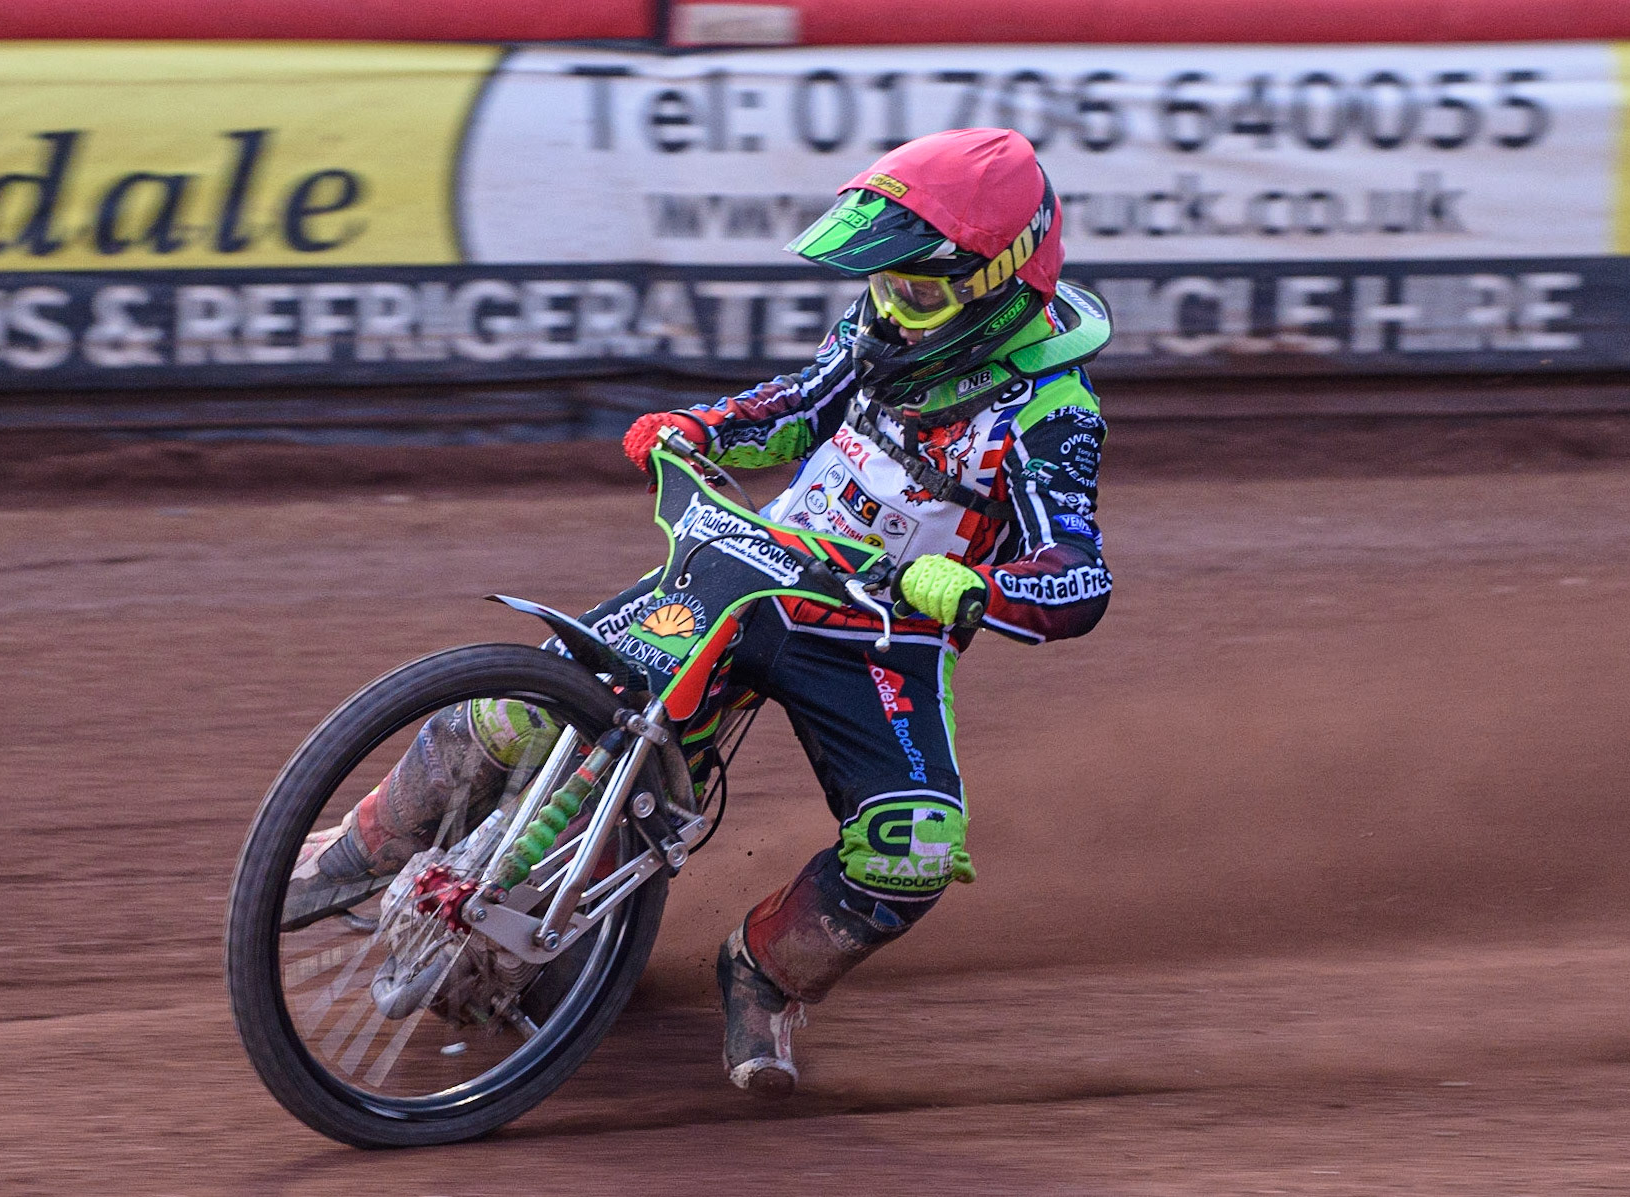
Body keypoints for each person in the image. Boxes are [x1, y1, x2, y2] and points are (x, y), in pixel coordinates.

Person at [287, 127, 1114, 1097]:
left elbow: (1079, 575)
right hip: (748, 568)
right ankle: (359, 849)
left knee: (912, 848)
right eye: (889, 285)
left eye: (919, 290)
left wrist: (978, 588)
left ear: (998, 281)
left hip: (878, 634)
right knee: (535, 701)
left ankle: (762, 976)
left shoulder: (1052, 414)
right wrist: (701, 425)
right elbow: (796, 408)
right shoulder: (879, 333)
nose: (894, 308)